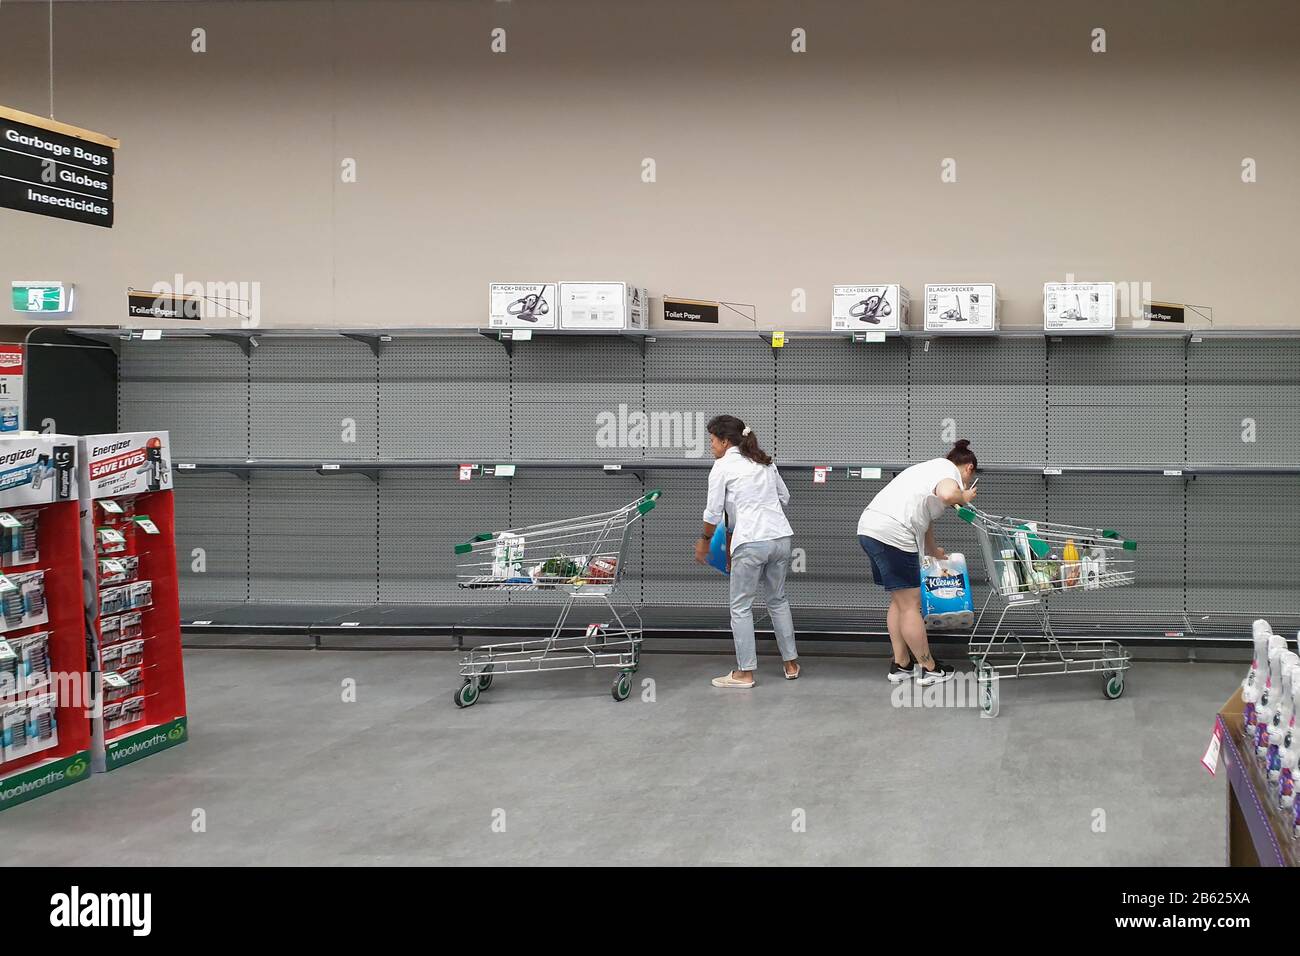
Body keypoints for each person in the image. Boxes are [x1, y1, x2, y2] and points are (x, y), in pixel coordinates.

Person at [856, 439, 979, 686]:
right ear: (969, 469)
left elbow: (925, 518)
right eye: (968, 479)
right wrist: (964, 495)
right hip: (893, 533)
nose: (963, 484)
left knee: (899, 602)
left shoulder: (926, 469)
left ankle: (901, 664)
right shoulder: (947, 471)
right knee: (911, 606)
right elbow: (947, 494)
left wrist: (933, 550)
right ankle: (929, 668)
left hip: (870, 529)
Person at [693, 415, 799, 688]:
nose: (712, 446)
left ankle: (745, 673)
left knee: (741, 607)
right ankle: (791, 664)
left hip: (750, 541)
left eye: (713, 441)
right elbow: (784, 497)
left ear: (726, 441)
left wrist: (705, 540)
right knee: (778, 600)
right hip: (781, 538)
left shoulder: (722, 467)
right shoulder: (764, 461)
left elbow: (712, 513)